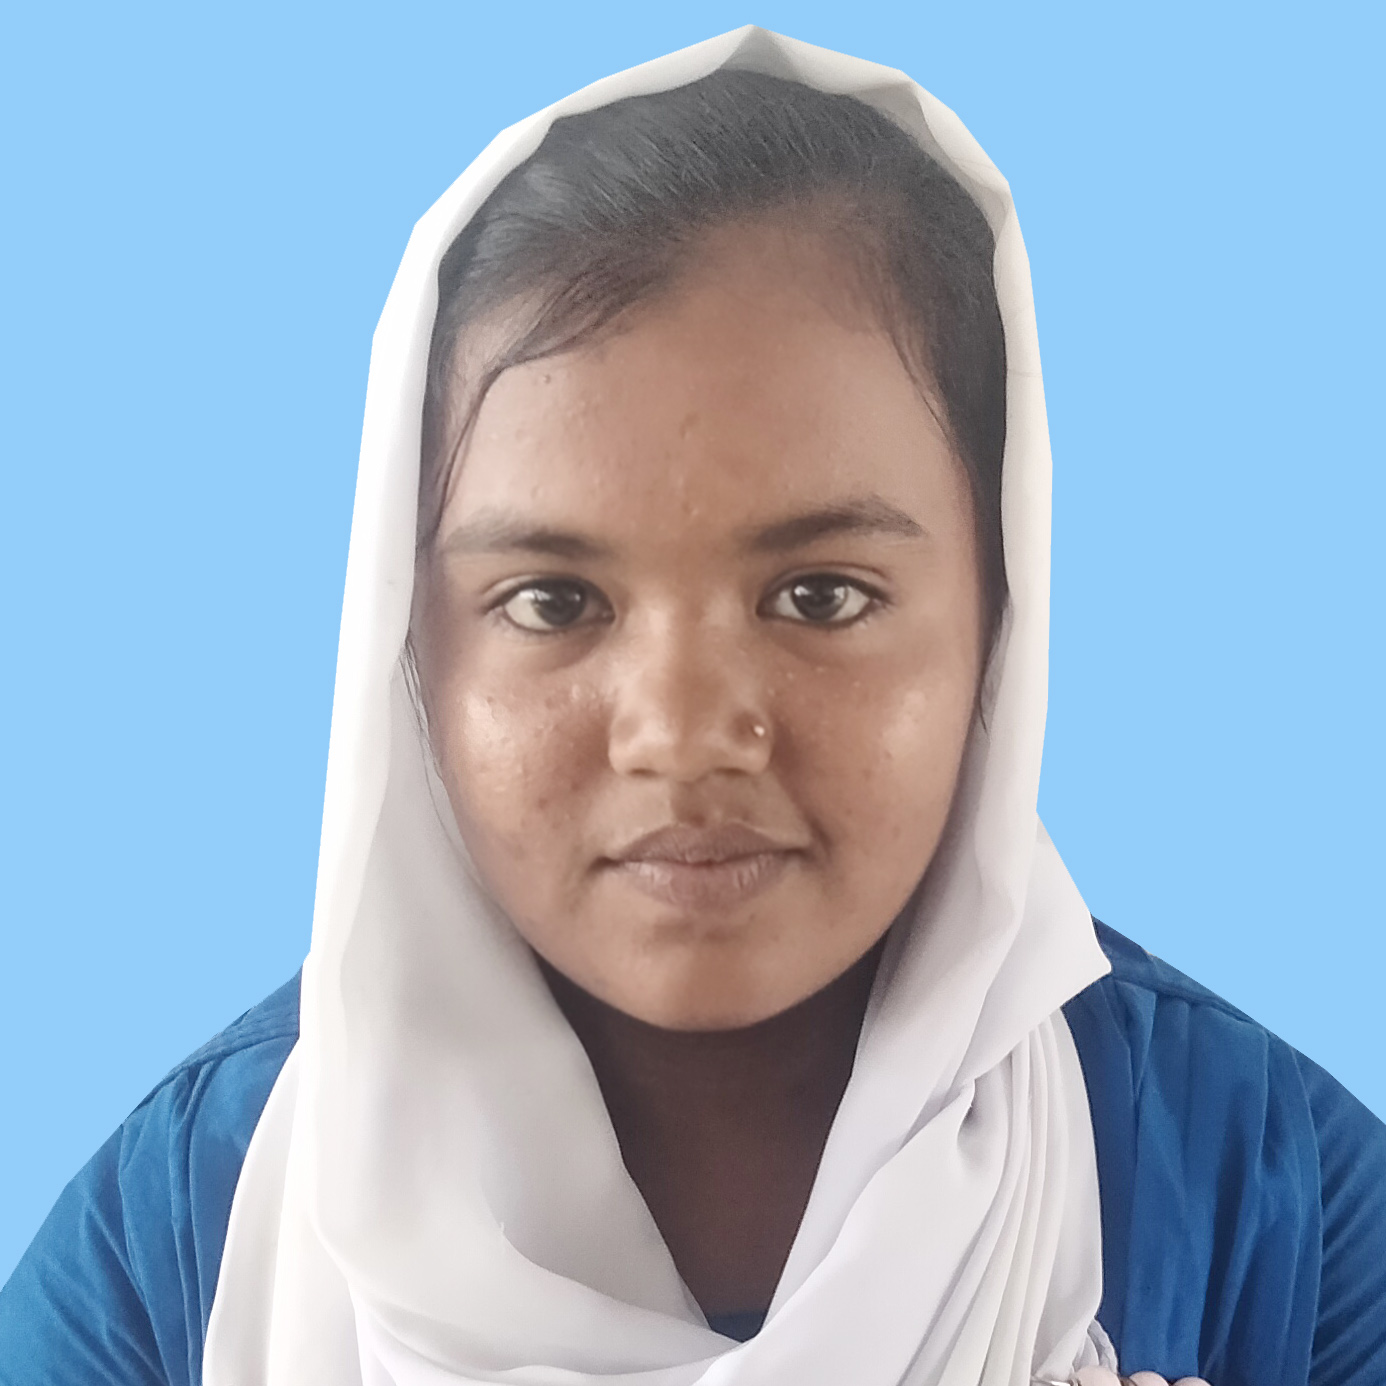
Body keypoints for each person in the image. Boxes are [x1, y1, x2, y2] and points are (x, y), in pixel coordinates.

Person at [0, 27, 1381, 1386]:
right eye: (553, 601)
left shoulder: (1276, 1203)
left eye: (820, 595)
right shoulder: (171, 1243)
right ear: (407, 644)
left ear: (1003, 619)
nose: (680, 730)